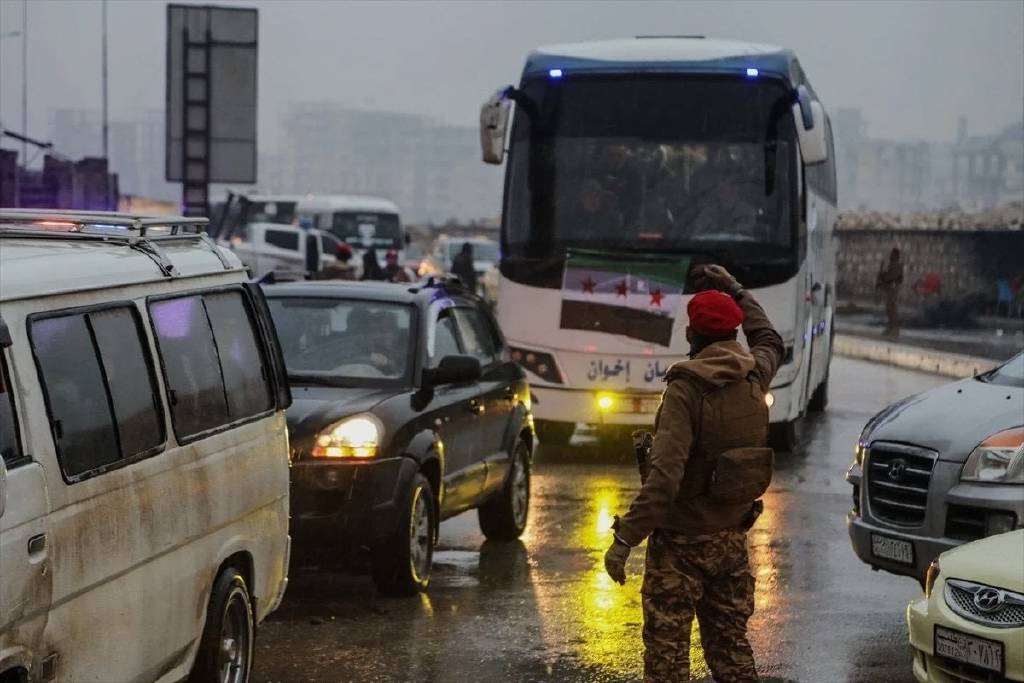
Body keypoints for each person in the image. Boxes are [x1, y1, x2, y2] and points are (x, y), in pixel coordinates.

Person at [604, 264, 784, 683]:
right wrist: (735, 287)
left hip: (679, 549)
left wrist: (624, 539)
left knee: (667, 664)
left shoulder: (685, 391)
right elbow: (769, 337)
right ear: (734, 334)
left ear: (691, 335)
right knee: (732, 656)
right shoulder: (755, 374)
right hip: (730, 545)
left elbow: (664, 479)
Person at [876, 247, 904, 337]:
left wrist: (883, 278)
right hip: (889, 289)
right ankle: (891, 327)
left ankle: (894, 328)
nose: (890, 255)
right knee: (889, 309)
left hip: (892, 289)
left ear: (895, 255)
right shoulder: (892, 265)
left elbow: (892, 277)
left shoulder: (896, 265)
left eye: (892, 254)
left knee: (892, 309)